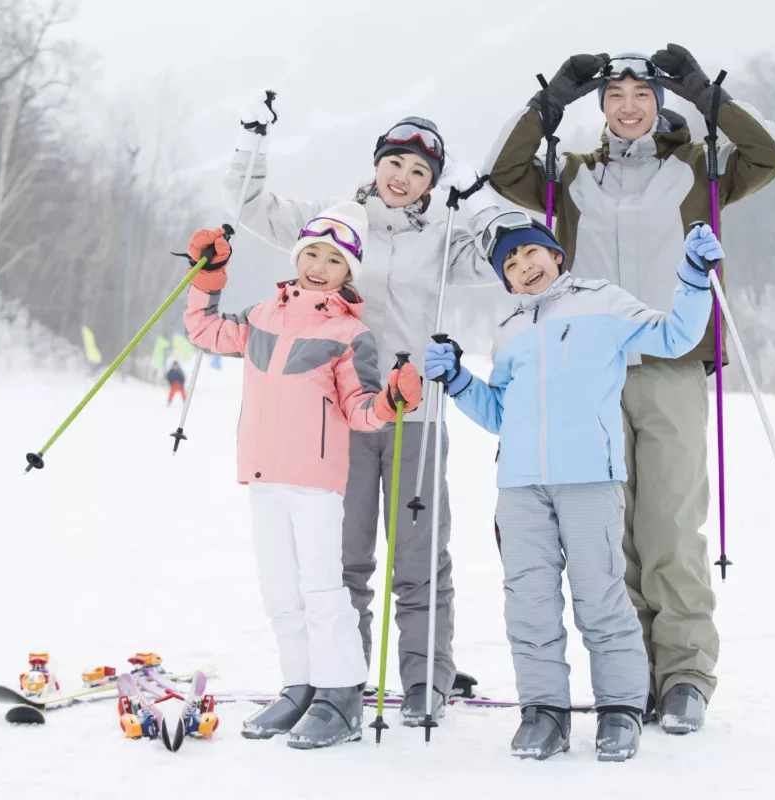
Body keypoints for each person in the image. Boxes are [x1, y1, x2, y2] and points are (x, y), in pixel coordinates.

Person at [486, 45, 775, 733]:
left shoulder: (696, 168)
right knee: (609, 531)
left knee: (668, 526)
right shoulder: (568, 178)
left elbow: (770, 157)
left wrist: (708, 98)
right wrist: (548, 106)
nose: (628, 106)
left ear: (660, 105)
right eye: (615, 96)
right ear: (600, 109)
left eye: (643, 95)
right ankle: (634, 677)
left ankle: (685, 674)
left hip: (671, 363)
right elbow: (502, 169)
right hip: (586, 373)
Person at [225, 97, 503, 725]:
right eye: (393, 162)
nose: (401, 177)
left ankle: (426, 680)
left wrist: (479, 196)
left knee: (419, 558)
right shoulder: (331, 222)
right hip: (336, 418)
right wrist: (253, 140)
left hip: (416, 414)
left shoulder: (444, 233)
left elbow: (509, 260)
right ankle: (336, 684)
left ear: (434, 184)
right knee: (341, 560)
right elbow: (249, 206)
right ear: (376, 164)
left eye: (419, 171)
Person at [424, 214, 721, 759]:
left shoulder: (602, 301)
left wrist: (694, 278)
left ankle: (621, 708)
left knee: (600, 595)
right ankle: (544, 711)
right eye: (509, 266)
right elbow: (500, 414)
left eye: (530, 254)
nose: (523, 268)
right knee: (528, 603)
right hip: (519, 488)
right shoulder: (509, 330)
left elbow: (675, 335)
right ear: (505, 282)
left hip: (588, 479)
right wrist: (459, 380)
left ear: (556, 255)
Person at [182, 201, 423, 749]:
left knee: (321, 589)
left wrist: (390, 402)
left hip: (314, 480)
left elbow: (360, 409)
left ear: (348, 272)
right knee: (279, 591)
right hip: (263, 475)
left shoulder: (349, 333)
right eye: (311, 252)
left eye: (334, 259)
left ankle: (340, 696)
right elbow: (204, 331)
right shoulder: (262, 316)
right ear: (296, 257)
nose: (318, 265)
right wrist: (208, 278)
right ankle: (300, 685)